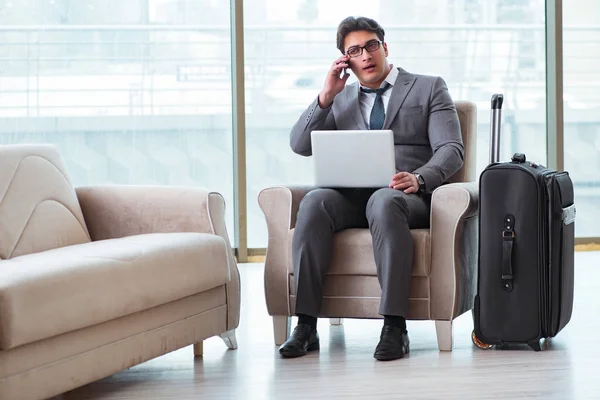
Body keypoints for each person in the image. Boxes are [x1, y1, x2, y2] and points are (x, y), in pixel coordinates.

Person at [281, 16, 464, 361]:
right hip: (350, 197)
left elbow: (451, 149)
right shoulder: (340, 98)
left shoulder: (428, 87)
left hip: (405, 197)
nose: (365, 55)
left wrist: (420, 177)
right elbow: (299, 144)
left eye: (370, 46)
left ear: (384, 47)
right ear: (345, 60)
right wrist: (325, 96)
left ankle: (395, 325)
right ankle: (305, 325)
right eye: (354, 50)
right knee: (314, 201)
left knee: (383, 201)